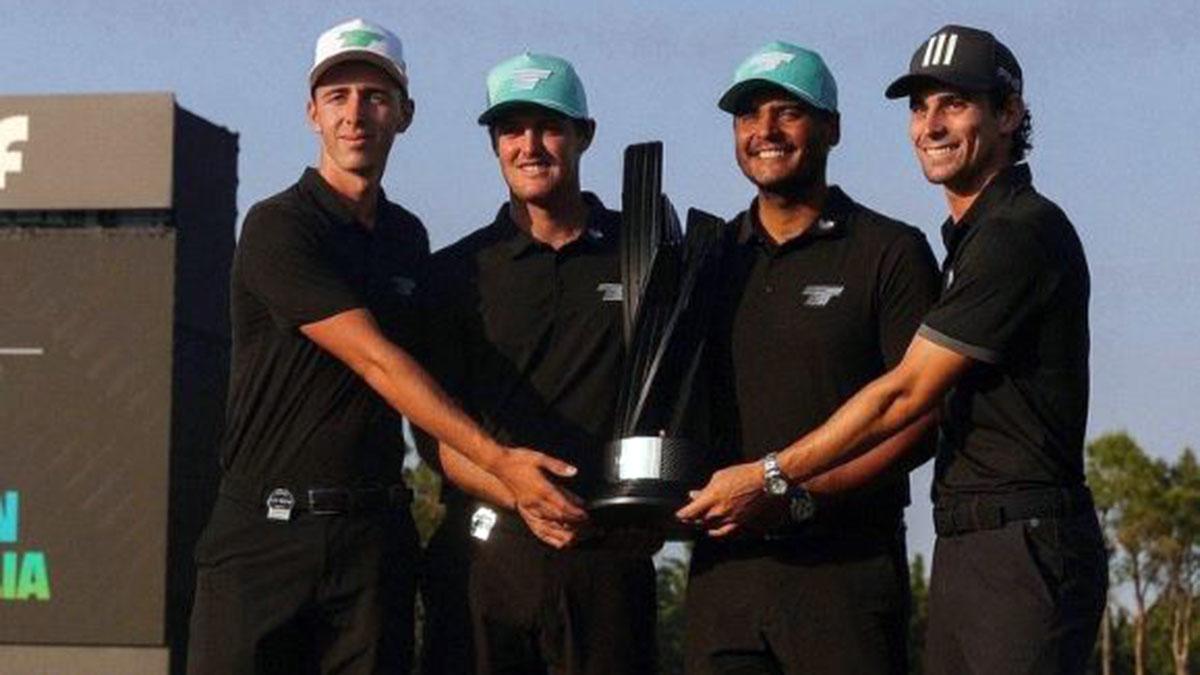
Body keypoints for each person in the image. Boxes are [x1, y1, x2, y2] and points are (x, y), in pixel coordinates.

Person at [680, 24, 1107, 675]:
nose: (931, 125)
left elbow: (908, 395)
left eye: (955, 103)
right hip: (968, 544)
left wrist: (773, 476)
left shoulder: (1016, 232)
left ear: (1008, 113)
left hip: (1018, 542)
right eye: (919, 106)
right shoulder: (973, 237)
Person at [187, 19, 578, 674]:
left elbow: (436, 386)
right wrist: (501, 461)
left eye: (374, 96)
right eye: (337, 96)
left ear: (404, 113)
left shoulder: (407, 237)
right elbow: (377, 359)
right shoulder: (279, 224)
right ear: (312, 113)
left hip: (373, 547)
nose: (355, 114)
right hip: (264, 537)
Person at [679, 41, 940, 674]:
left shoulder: (890, 251)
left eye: (787, 112)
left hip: (845, 575)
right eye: (748, 115)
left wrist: (795, 496)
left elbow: (923, 421)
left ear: (832, 128)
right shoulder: (704, 260)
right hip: (724, 579)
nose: (765, 130)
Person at [421, 52, 657, 675]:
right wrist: (521, 494)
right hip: (484, 555)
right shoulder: (456, 271)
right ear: (495, 143)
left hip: (605, 556)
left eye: (549, 127)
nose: (529, 146)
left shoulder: (645, 251)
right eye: (511, 130)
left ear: (585, 135)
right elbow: (435, 435)